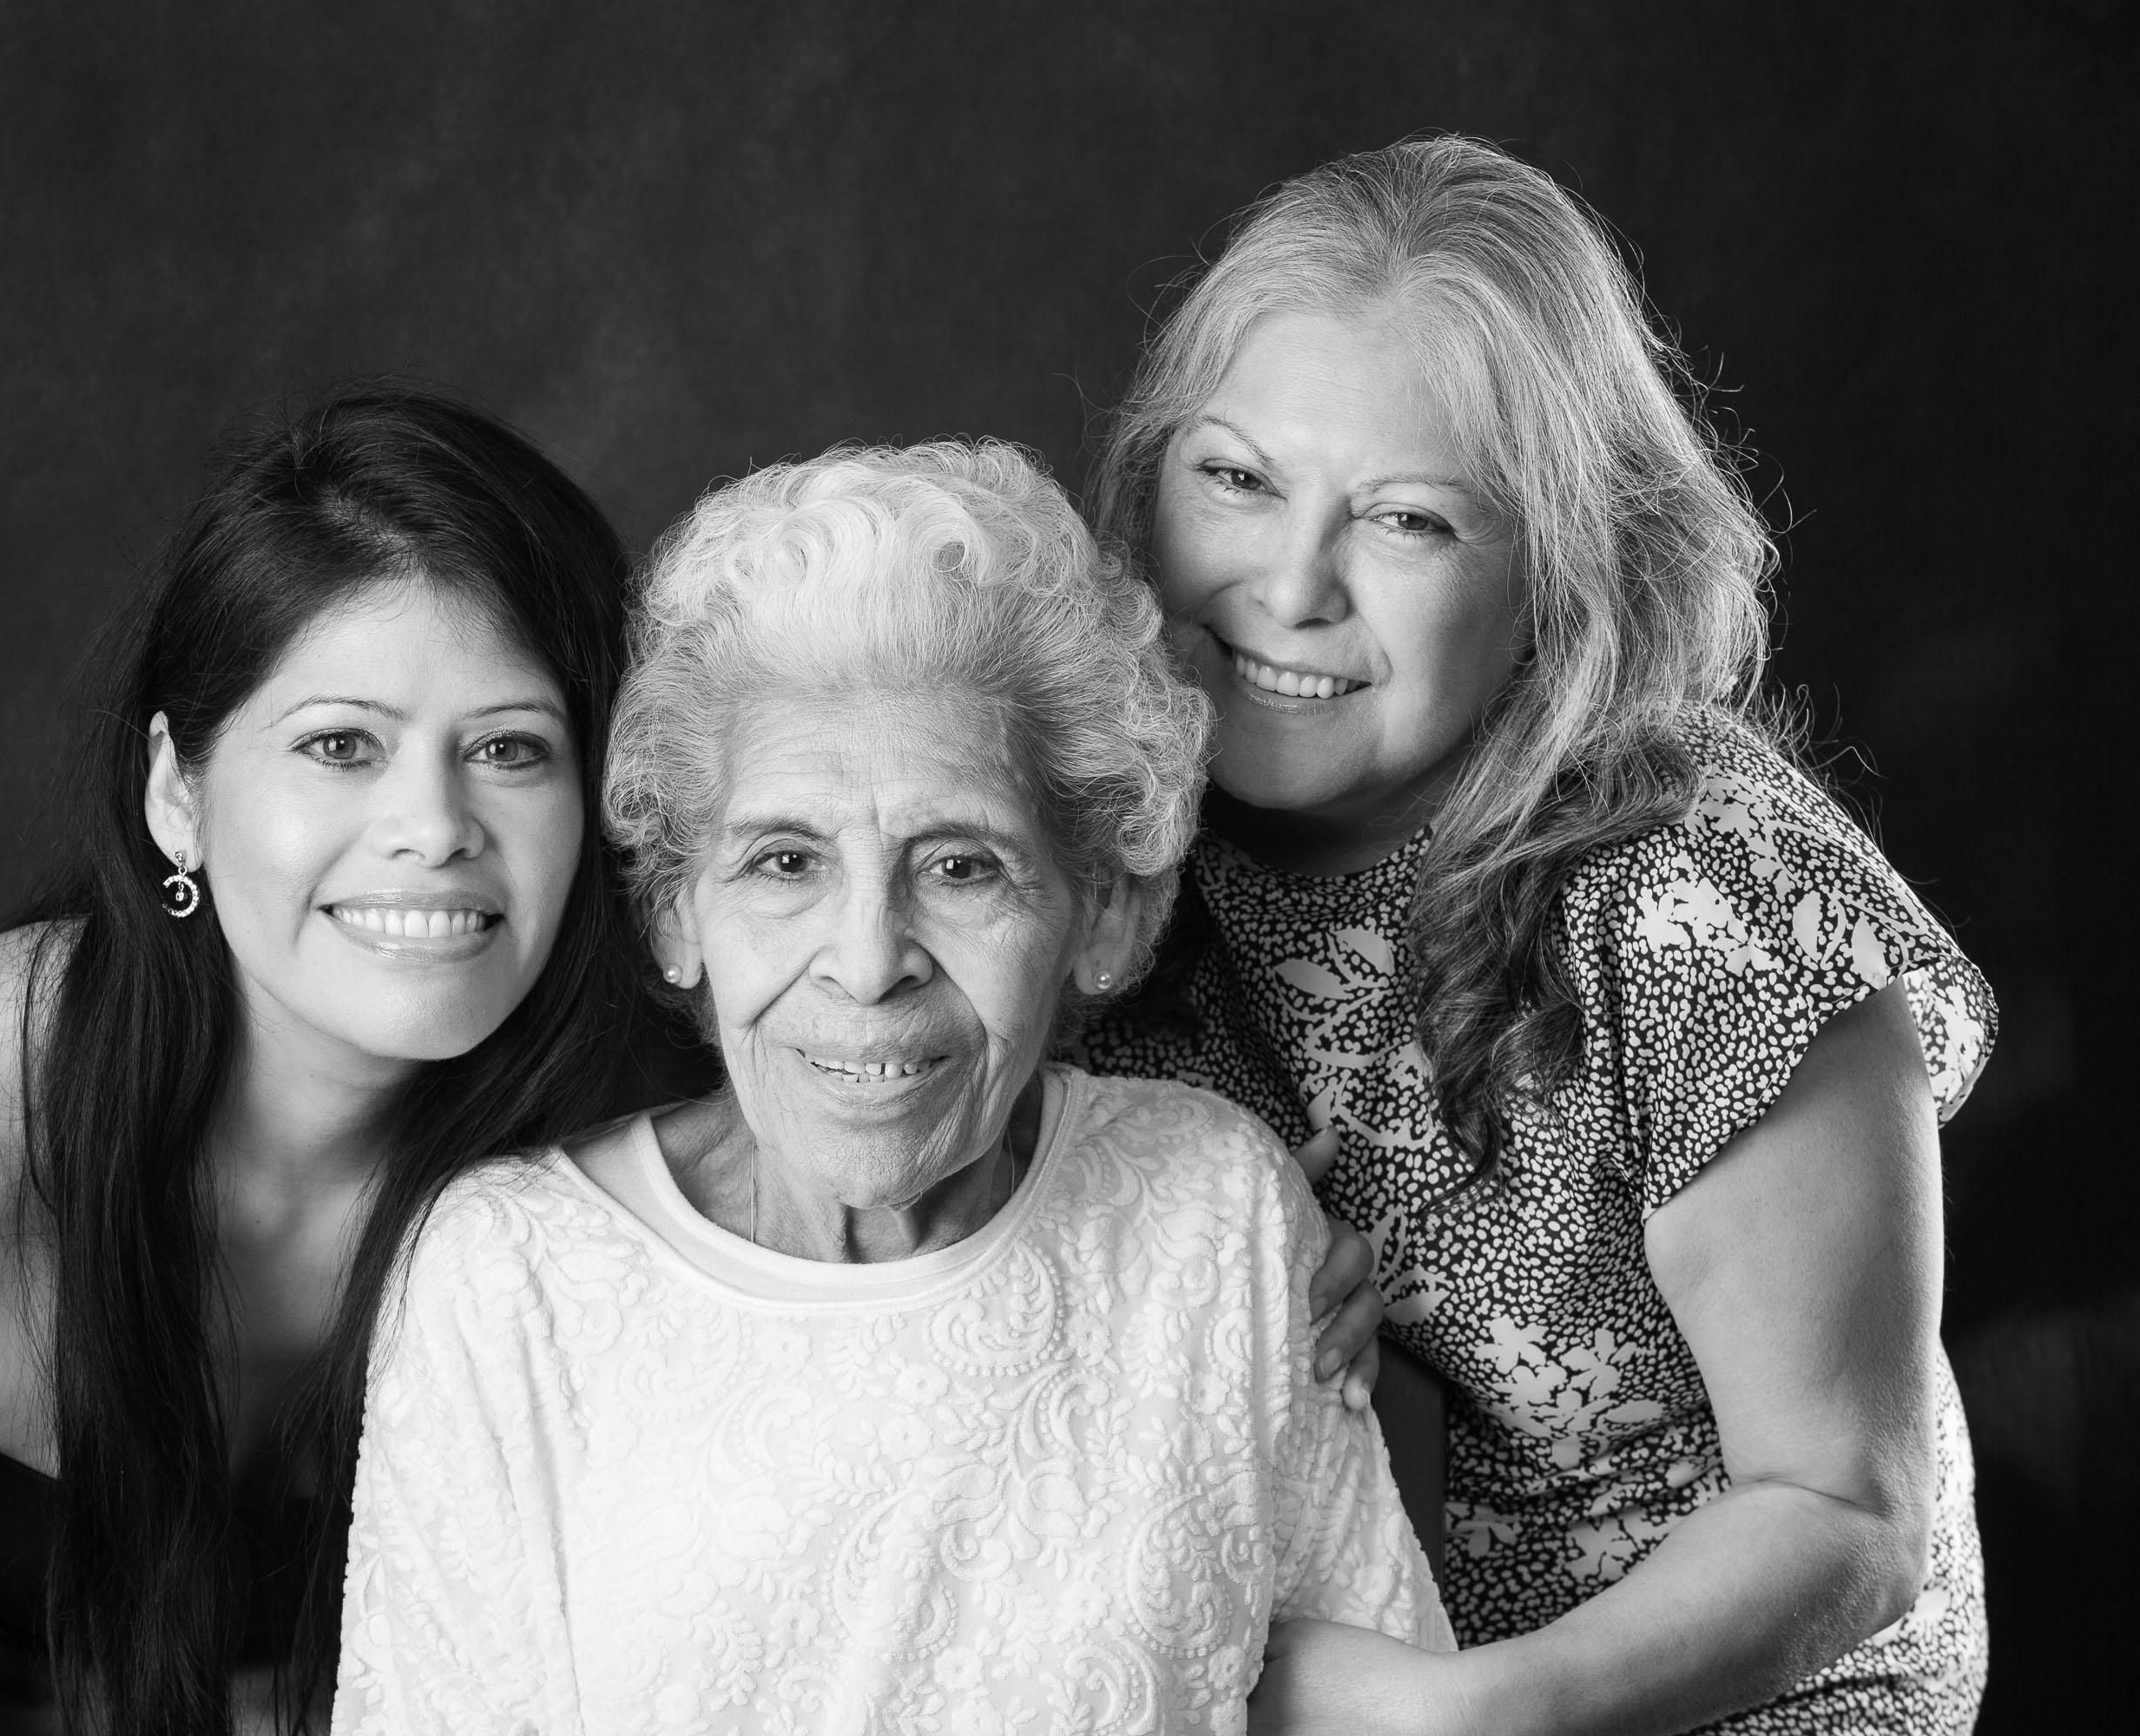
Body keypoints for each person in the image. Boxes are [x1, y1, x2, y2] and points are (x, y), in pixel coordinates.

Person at [1077, 135, 1997, 1733]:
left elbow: (1848, 1513)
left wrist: (1468, 1718)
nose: (1287, 587)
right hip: (1343, 1651)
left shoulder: (1698, 894)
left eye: (1411, 521)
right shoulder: (1113, 857)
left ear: (1557, 570)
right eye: (1235, 477)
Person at [331, 439, 1452, 1734]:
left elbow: (1392, 1704)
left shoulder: (1215, 1212)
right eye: (785, 862)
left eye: (963, 867)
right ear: (677, 915)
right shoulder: (507, 1275)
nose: (868, 964)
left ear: (1098, 913)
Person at [0, 380, 676, 1735]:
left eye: (510, 749)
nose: (435, 827)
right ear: (178, 794)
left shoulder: (637, 1134)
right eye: (342, 745)